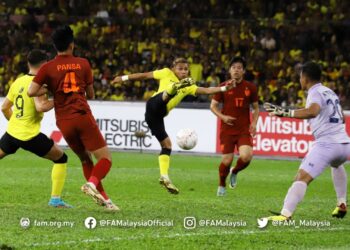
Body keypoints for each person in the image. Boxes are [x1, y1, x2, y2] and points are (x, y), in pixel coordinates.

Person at [27, 25, 119, 211]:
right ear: (72, 44)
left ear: (55, 46)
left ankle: (107, 203)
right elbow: (91, 94)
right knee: (105, 159)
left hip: (64, 121)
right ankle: (92, 184)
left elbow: (31, 91)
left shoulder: (48, 67)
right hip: (82, 116)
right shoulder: (83, 64)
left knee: (85, 160)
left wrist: (53, 88)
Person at [112, 57, 234, 194]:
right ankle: (172, 89)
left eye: (185, 69)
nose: (183, 71)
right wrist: (123, 78)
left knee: (167, 146)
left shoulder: (189, 86)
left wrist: (224, 88)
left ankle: (164, 177)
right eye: (180, 69)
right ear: (173, 69)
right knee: (164, 97)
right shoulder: (165, 73)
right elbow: (144, 75)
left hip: (156, 117)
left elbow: (207, 90)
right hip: (154, 104)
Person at [263, 61, 349, 220]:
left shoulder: (314, 92)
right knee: (337, 164)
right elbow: (342, 117)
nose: (299, 80)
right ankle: (341, 203)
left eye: (300, 77)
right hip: (344, 145)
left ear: (305, 78)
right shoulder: (329, 91)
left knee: (301, 178)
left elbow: (312, 111)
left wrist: (284, 112)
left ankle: (285, 215)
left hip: (327, 144)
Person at [0, 49, 71, 208]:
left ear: (28, 63)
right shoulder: (39, 83)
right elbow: (41, 106)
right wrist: (61, 100)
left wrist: (16, 123)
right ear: (45, 64)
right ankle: (55, 200)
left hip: (12, 132)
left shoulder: (17, 81)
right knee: (61, 158)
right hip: (29, 135)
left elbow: (4, 108)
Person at [210, 56, 259, 196]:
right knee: (227, 159)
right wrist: (223, 117)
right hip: (227, 130)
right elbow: (213, 106)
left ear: (243, 71)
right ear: (230, 70)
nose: (236, 70)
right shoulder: (223, 86)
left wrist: (254, 123)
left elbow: (256, 108)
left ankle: (235, 171)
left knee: (247, 156)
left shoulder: (251, 88)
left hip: (243, 129)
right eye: (234, 68)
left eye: (239, 68)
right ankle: (221, 185)